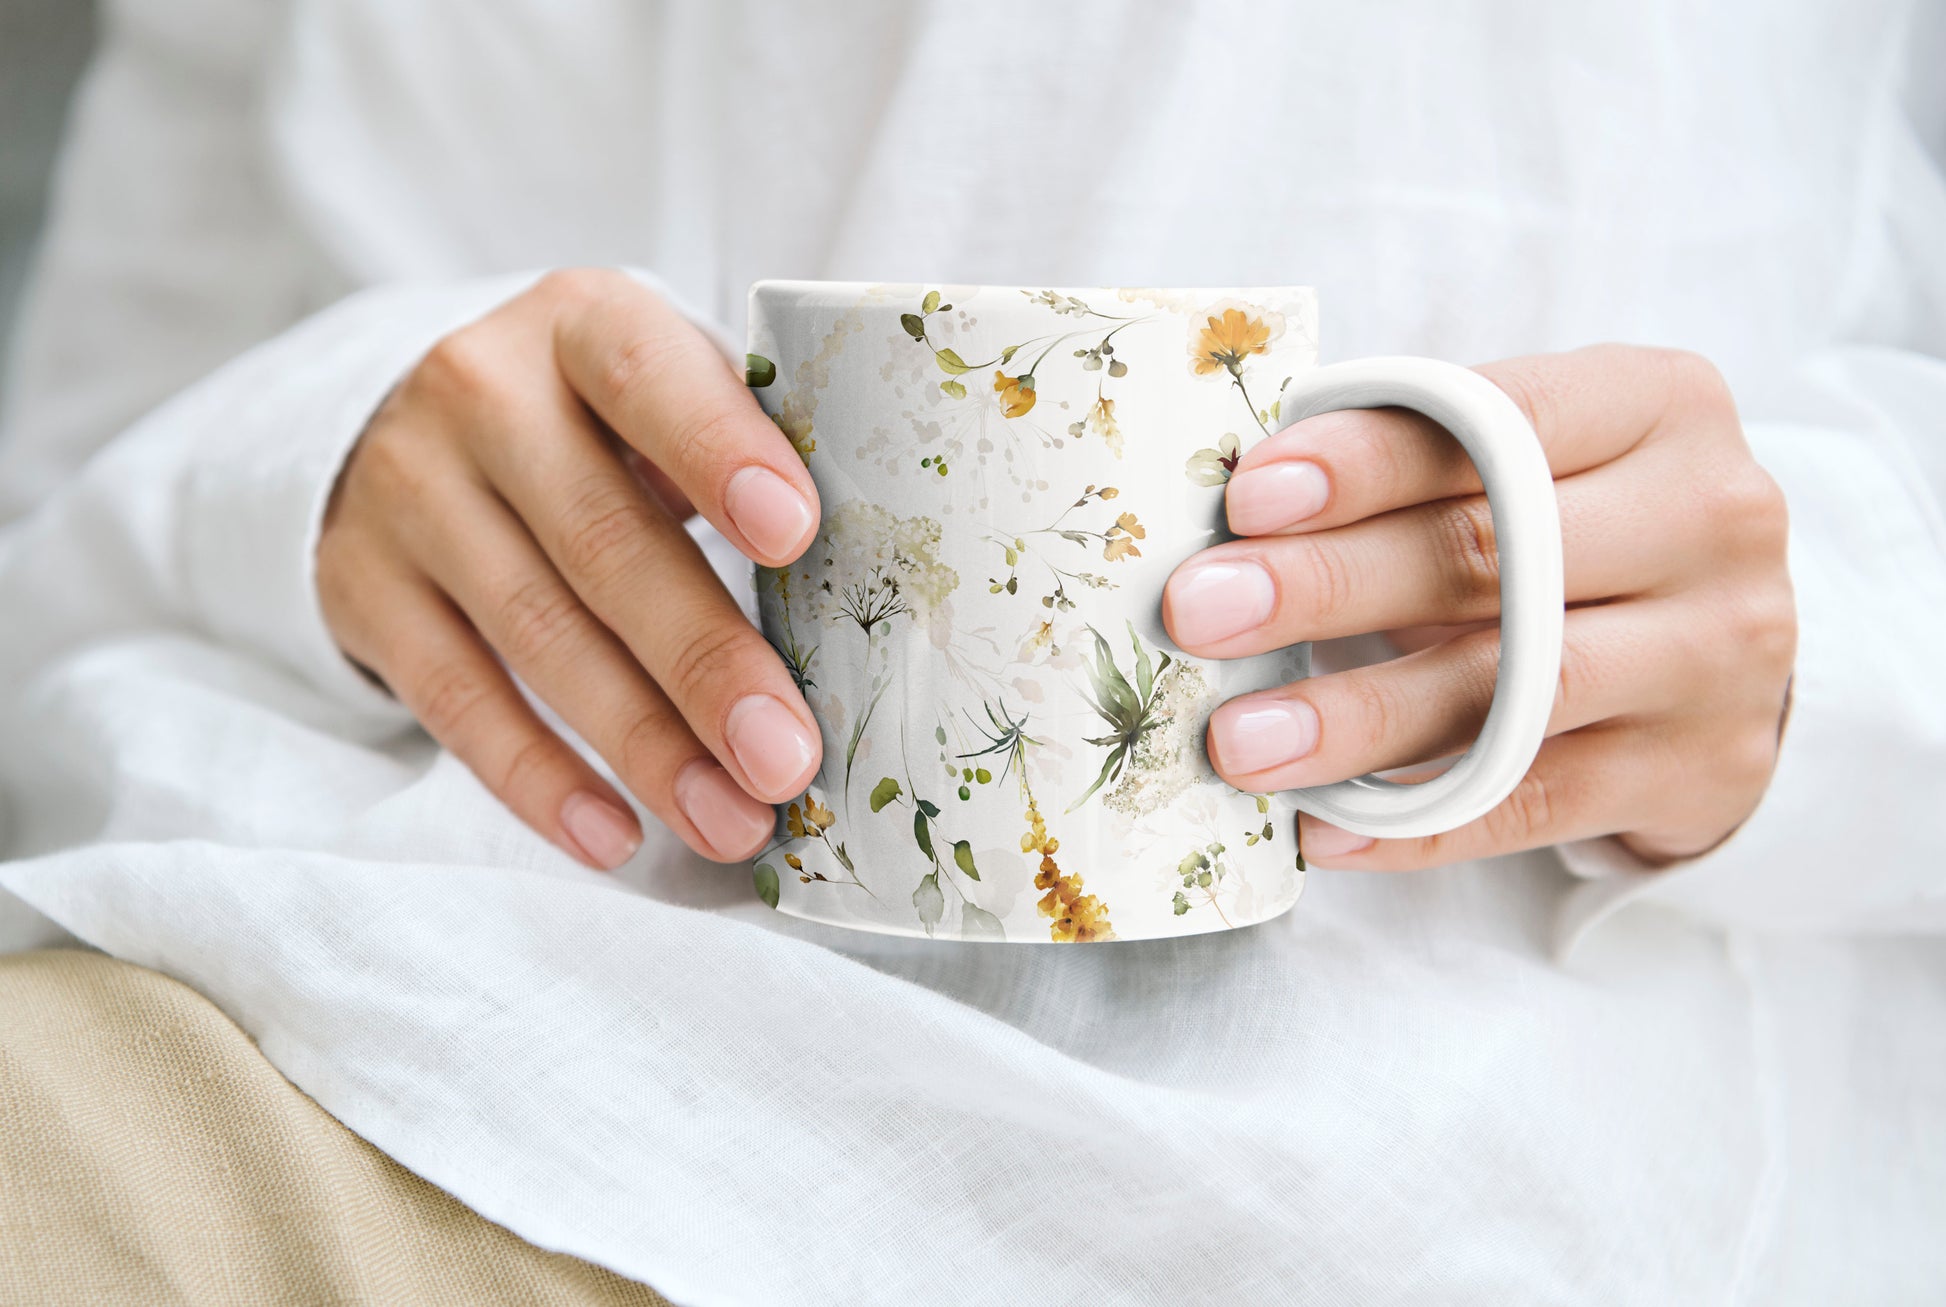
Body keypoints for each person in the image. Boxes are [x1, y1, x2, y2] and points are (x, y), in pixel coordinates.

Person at [0, 2, 1940, 1302]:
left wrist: (1819, 635)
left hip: (1484, 1147)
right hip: (433, 1008)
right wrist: (319, 457)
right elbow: (75, 472)